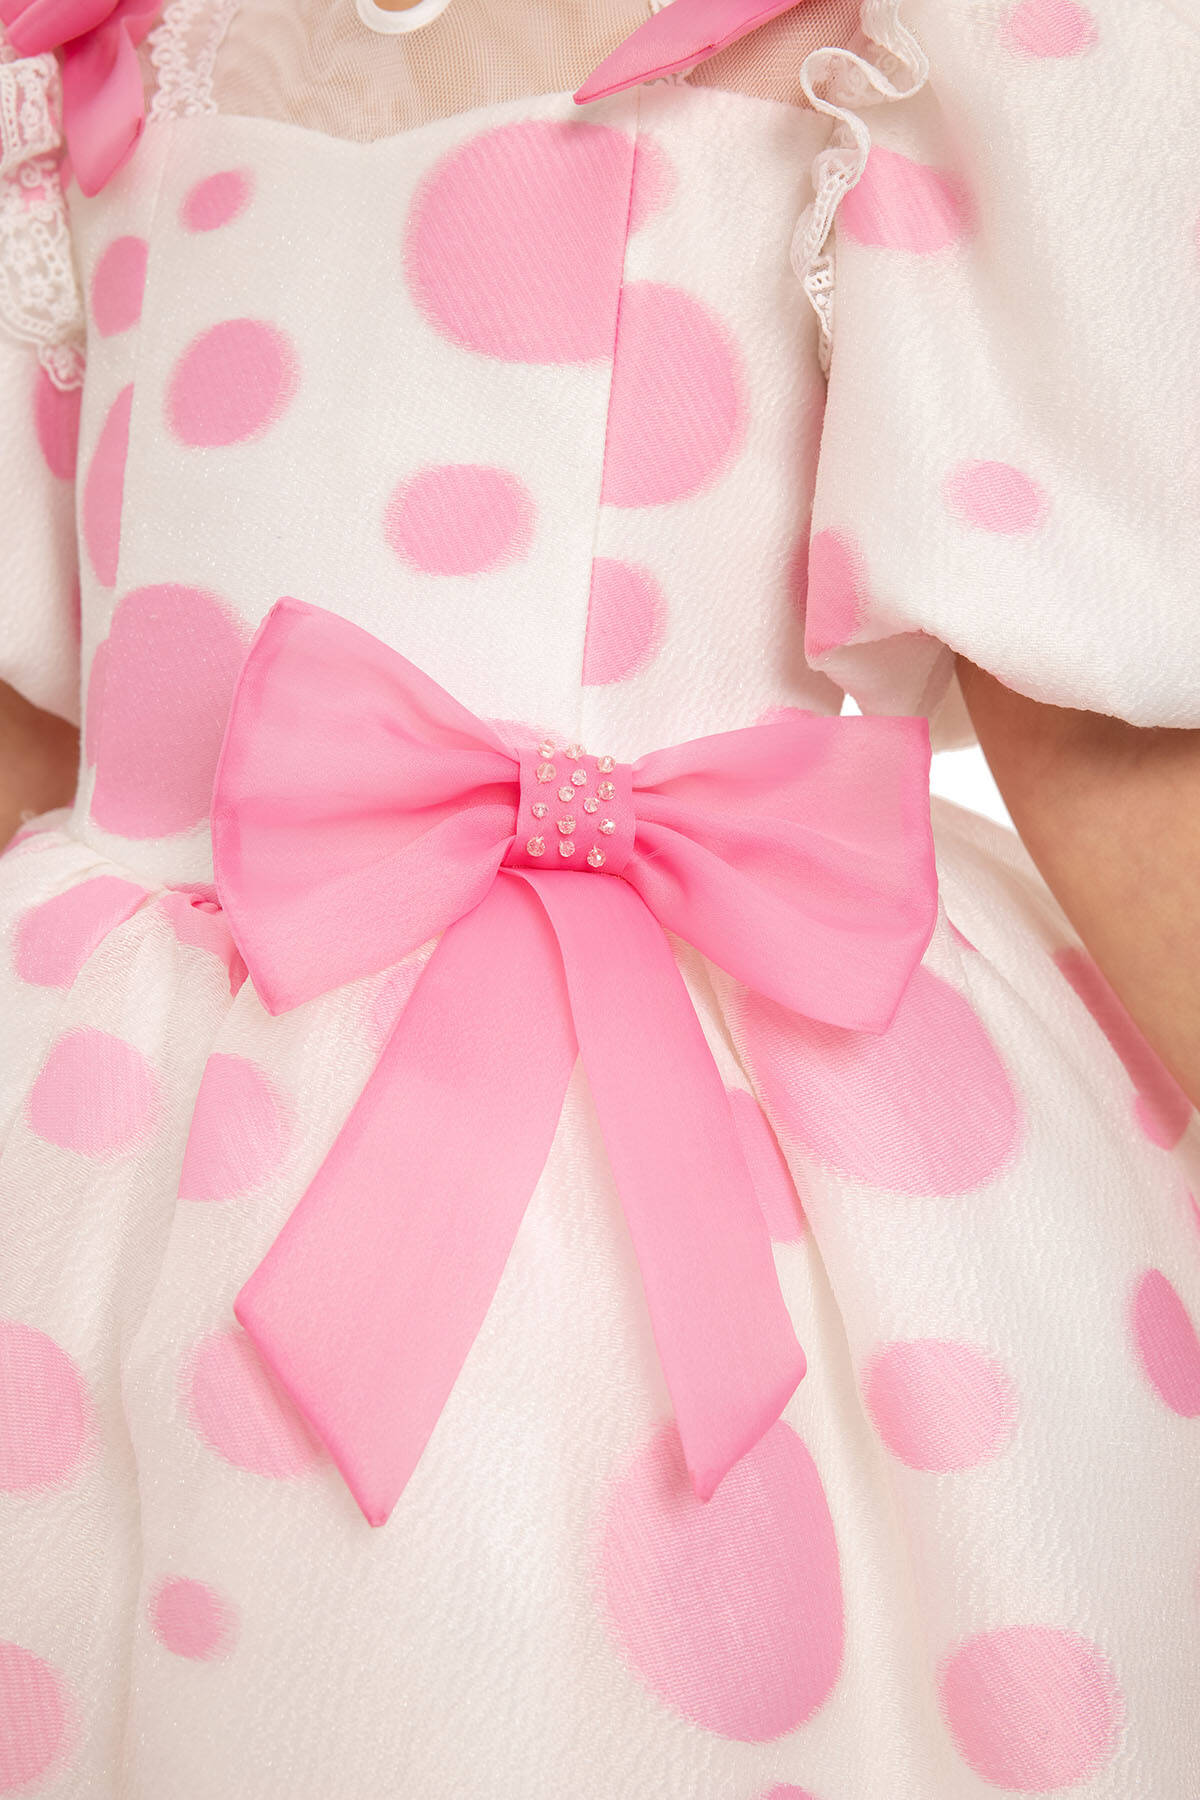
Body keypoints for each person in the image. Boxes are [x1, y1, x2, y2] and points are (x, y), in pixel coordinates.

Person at [0, 0, 1196, 1792]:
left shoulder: (917, 40)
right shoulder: (75, 57)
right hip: (114, 1098)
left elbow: (1087, 693)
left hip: (699, 1068)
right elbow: (37, 699)